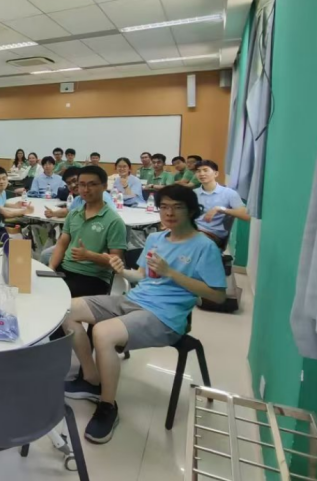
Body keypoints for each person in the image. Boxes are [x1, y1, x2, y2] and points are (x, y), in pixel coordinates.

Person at [63, 185, 226, 444]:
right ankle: (92, 378)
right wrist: (120, 270)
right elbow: (141, 276)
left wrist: (171, 273)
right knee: (67, 309)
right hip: (134, 300)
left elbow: (218, 295)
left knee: (103, 333)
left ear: (191, 211)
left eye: (177, 207)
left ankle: (108, 406)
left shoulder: (205, 246)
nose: (169, 213)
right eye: (164, 207)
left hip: (166, 316)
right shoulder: (156, 239)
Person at [45, 165, 127, 297]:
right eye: (82, 184)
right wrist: (52, 267)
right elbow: (62, 243)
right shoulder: (73, 214)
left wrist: (90, 256)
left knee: (54, 296)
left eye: (92, 184)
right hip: (65, 270)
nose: (86, 189)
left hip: (93, 277)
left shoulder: (114, 221)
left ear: (104, 186)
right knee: (35, 287)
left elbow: (116, 261)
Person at [194, 160, 250, 246]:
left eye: (205, 170)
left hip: (212, 234)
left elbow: (246, 216)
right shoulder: (193, 193)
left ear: (216, 174)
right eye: (198, 171)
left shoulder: (229, 193)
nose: (201, 174)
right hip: (192, 230)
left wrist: (220, 209)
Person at [0, 167, 34, 241]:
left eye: (4, 179)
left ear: (7, 180)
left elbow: (2, 204)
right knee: (19, 240)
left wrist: (15, 205)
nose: (1, 182)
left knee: (20, 237)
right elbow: (6, 214)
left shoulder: (2, 191)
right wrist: (25, 211)